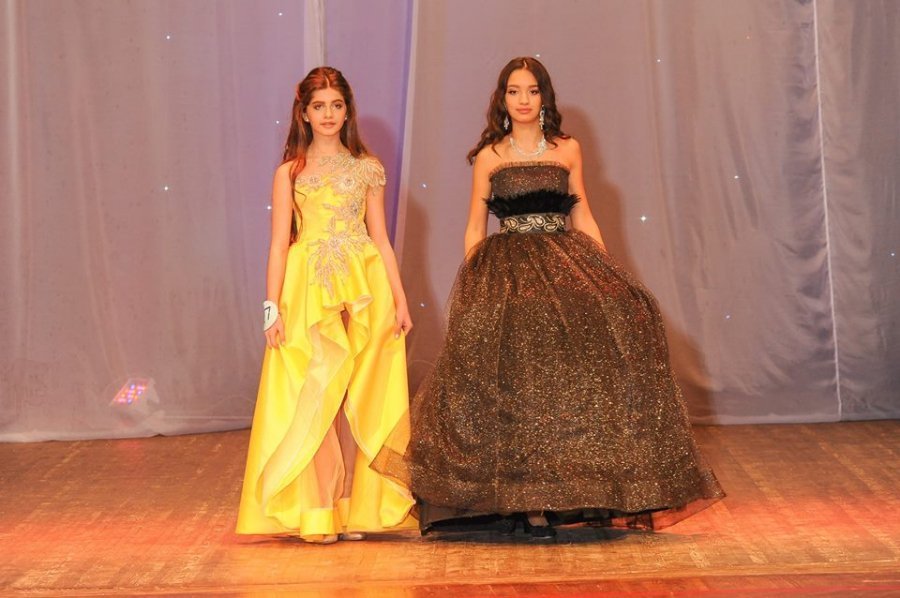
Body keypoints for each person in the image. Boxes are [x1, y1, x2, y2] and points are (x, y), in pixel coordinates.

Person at [376, 57, 724, 539]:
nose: (523, 100)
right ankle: (524, 502)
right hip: (508, 273)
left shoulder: (568, 149)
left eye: (532, 90)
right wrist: (475, 280)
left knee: (566, 386)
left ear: (544, 97)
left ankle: (567, 493)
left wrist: (607, 274)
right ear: (502, 99)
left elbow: (583, 215)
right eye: (514, 91)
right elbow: (475, 227)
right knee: (515, 388)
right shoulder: (490, 157)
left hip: (563, 267)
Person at [236, 67, 416, 544]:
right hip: (308, 288)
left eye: (337, 105)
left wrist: (400, 299)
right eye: (319, 106)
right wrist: (271, 308)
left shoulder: (367, 167)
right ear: (304, 113)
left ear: (347, 110)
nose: (329, 114)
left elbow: (381, 238)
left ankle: (358, 510)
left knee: (365, 393)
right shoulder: (290, 173)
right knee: (315, 394)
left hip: (364, 283)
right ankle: (317, 513)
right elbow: (279, 244)